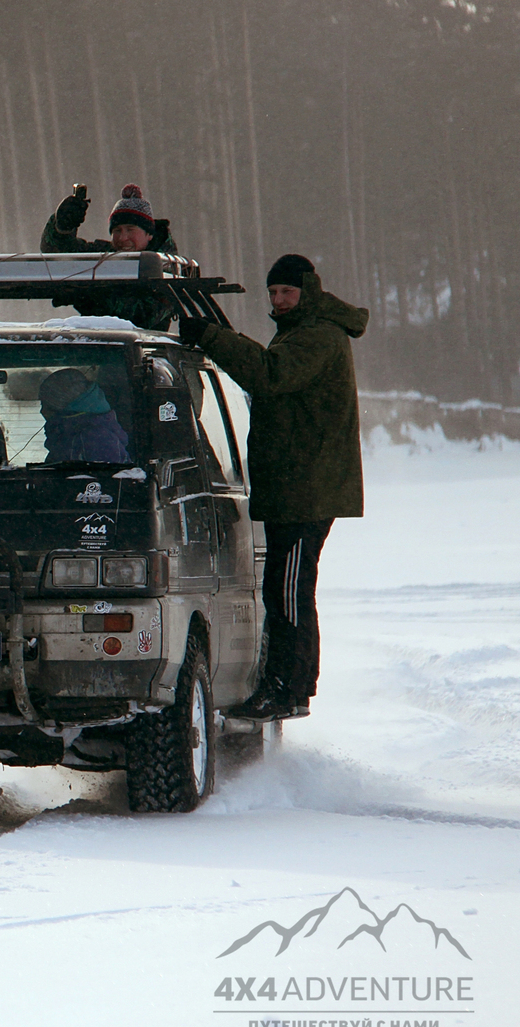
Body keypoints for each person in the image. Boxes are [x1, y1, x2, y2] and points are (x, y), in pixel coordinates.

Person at [178, 254, 367, 721]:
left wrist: (211, 336)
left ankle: (287, 688)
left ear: (308, 292)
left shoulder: (318, 335)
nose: (279, 301)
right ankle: (288, 684)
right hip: (295, 487)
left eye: (287, 293)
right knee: (285, 590)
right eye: (274, 294)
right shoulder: (300, 332)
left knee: (288, 592)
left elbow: (269, 374)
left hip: (308, 490)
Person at [41, 183, 179, 330]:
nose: (123, 238)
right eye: (117, 231)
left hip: (146, 348)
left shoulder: (168, 268)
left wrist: (88, 294)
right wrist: (62, 228)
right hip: (95, 345)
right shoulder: (103, 258)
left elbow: (142, 317)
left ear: (149, 234)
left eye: (130, 230)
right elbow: (60, 256)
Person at [38, 368, 130, 463]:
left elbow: (108, 476)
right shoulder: (70, 436)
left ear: (63, 408)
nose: (42, 411)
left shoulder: (96, 439)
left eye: (46, 405)